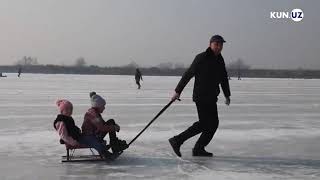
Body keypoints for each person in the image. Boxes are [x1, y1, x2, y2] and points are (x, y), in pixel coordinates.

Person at [168, 35, 231, 157]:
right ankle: (178, 140)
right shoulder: (201, 58)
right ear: (210, 44)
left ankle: (198, 148)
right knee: (205, 123)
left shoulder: (220, 59)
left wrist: (227, 94)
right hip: (201, 96)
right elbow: (188, 74)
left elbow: (223, 78)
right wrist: (177, 91)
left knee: (213, 124)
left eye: (221, 45)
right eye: (216, 44)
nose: (219, 47)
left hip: (212, 97)